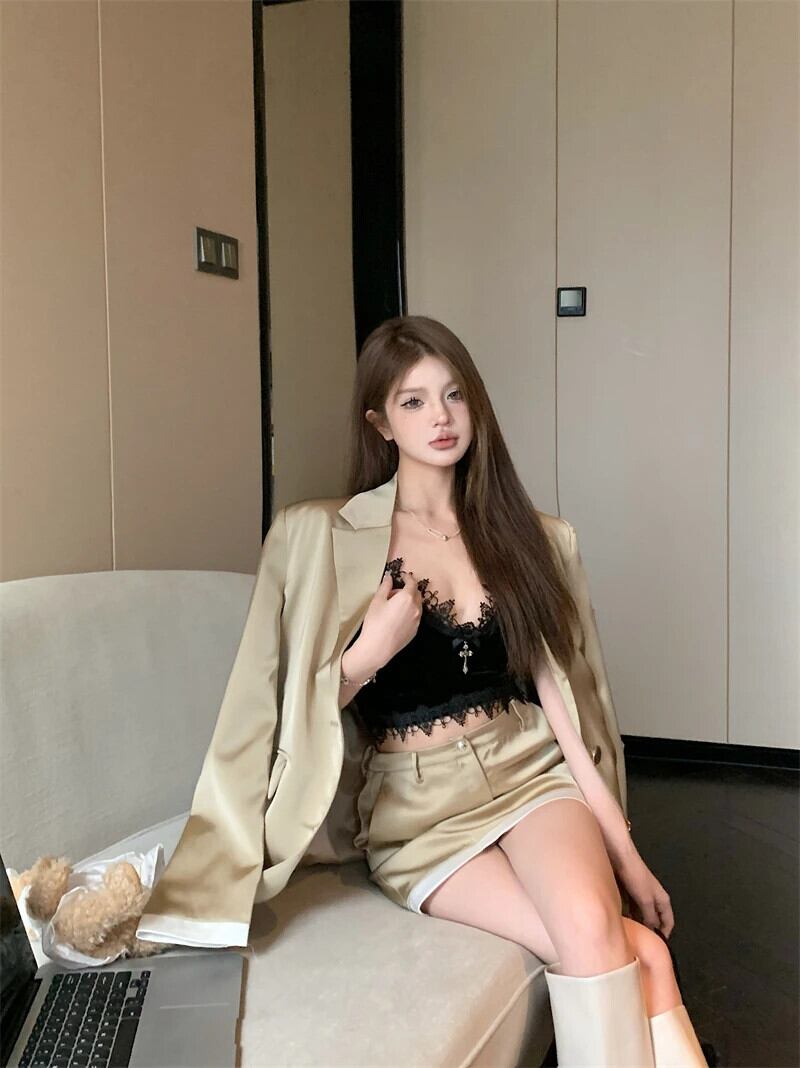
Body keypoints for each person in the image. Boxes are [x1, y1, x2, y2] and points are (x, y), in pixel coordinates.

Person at [335, 315, 708, 1067]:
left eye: (454, 395)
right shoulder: (342, 542)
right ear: (379, 423)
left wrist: (627, 855)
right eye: (413, 402)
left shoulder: (514, 532)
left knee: (597, 931)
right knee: (641, 955)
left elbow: (560, 709)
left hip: (529, 771)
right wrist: (367, 655)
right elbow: (293, 719)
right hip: (421, 812)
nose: (441, 417)